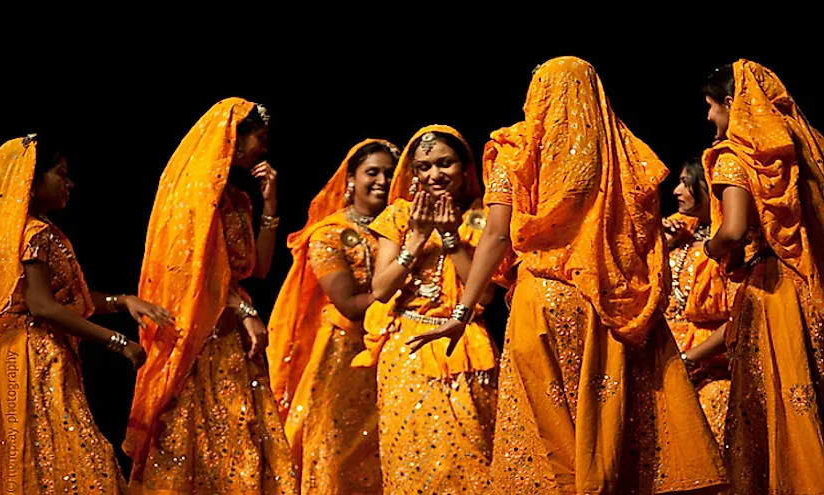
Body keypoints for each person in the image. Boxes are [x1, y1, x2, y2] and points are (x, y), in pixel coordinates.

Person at [409, 57, 728, 494]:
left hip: (542, 301)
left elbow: (498, 234)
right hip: (611, 303)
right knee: (613, 431)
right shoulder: (623, 153)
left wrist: (462, 310)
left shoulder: (518, 148)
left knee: (549, 441)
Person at [123, 98, 298, 494]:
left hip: (232, 338)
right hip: (195, 338)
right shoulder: (194, 197)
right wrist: (245, 308)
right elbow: (195, 274)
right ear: (234, 136)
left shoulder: (239, 199)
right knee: (195, 444)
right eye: (261, 138)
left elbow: (258, 269)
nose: (264, 149)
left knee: (242, 440)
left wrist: (270, 205)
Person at [0, 133, 171, 493]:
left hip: (34, 354)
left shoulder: (31, 231)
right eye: (61, 173)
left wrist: (121, 301)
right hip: (34, 360)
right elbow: (43, 306)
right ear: (32, 179)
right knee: (70, 462)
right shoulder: (34, 234)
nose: (70, 183)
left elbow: (58, 296)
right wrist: (118, 342)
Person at [351, 125, 499, 494]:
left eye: (444, 163)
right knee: (410, 459)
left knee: (473, 457)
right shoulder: (400, 216)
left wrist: (451, 238)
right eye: (424, 166)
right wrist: (416, 240)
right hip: (407, 353)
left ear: (465, 168)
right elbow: (381, 289)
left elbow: (484, 298)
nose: (434, 174)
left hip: (464, 347)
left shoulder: (482, 219)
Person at [700, 60, 824, 494]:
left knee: (779, 407)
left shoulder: (736, 157)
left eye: (712, 107)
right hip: (811, 286)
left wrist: (709, 249)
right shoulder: (805, 150)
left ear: (732, 105)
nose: (710, 117)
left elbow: (732, 231)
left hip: (772, 291)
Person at [267, 139, 399, 494]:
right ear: (351, 179)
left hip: (399, 352)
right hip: (345, 358)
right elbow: (349, 305)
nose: (382, 181)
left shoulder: (404, 227)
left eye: (389, 173)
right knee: (337, 454)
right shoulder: (329, 234)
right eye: (372, 172)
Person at [661, 158, 733, 449]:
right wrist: (663, 246)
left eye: (686, 183)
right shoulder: (678, 234)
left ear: (708, 188)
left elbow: (740, 319)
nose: (676, 191)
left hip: (713, 369)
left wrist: (689, 360)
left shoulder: (732, 246)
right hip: (665, 363)